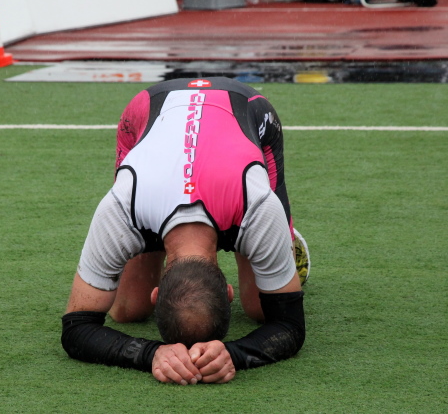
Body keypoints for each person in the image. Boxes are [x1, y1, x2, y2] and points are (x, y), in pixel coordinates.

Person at [61, 77, 310, 385]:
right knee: (128, 310)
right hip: (149, 109)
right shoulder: (120, 209)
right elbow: (75, 329)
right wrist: (152, 354)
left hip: (248, 110)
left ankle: (282, 241)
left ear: (157, 295)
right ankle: (270, 249)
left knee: (259, 310)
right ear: (227, 293)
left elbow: (290, 327)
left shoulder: (261, 208)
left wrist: (230, 355)